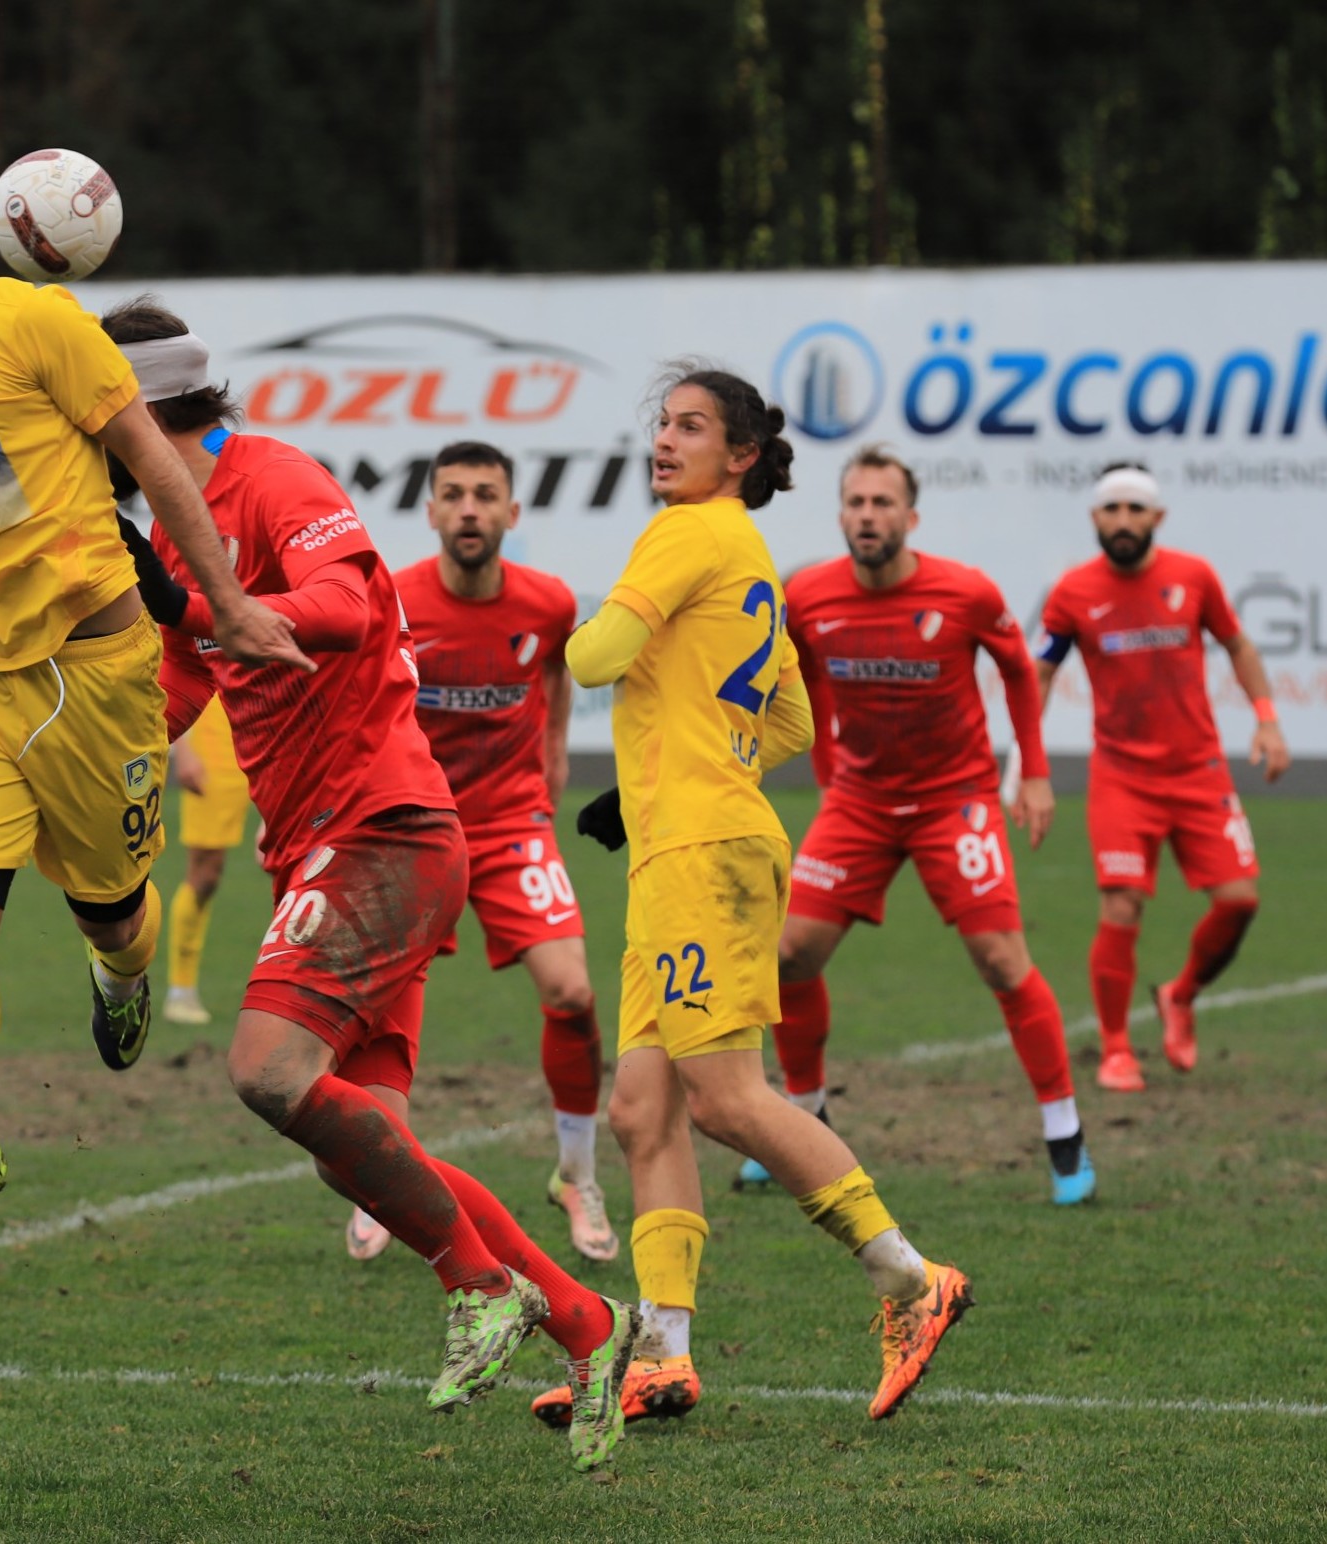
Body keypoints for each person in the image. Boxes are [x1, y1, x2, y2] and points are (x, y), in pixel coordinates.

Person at [107, 296, 639, 1473]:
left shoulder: (271, 478)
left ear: (134, 409)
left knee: (263, 1068)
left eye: (88, 408)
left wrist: (189, 603)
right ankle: (587, 1323)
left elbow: (344, 610)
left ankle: (477, 1279)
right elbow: (179, 685)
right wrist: (82, 755)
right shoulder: (170, 516)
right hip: (326, 840)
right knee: (361, 1138)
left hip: (384, 825)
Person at [0, 144, 307, 1287]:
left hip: (96, 680)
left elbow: (149, 452)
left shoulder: (33, 321)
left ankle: (124, 971)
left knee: (114, 920)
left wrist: (227, 608)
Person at [532, 367, 969, 1437]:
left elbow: (594, 653)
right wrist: (669, 774)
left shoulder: (687, 533)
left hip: (699, 853)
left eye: (690, 426)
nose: (665, 442)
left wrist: (573, 634)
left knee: (725, 1097)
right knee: (642, 1108)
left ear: (737, 456)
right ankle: (664, 1356)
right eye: (661, 425)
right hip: (684, 842)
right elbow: (780, 727)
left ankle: (910, 1279)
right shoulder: (747, 554)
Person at [743, 445, 1091, 1205]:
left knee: (1001, 961)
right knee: (789, 956)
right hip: (860, 804)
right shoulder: (807, 595)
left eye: (882, 503)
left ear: (910, 516)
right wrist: (831, 771)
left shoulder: (963, 592)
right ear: (840, 514)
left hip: (953, 799)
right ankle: (803, 1116)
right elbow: (795, 679)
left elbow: (1017, 672)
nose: (868, 516)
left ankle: (1063, 1135)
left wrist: (1031, 771)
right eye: (856, 503)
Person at [355, 439, 614, 1266]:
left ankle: (576, 1174)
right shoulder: (391, 599)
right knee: (374, 1013)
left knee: (573, 994)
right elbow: (354, 707)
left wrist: (552, 767)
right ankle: (376, 1182)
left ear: (511, 512)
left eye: (485, 495)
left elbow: (554, 684)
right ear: (430, 512)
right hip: (409, 825)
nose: (469, 508)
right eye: (454, 495)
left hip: (509, 826)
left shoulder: (545, 604)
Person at [1036, 463, 1288, 1091]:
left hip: (1200, 771)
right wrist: (1027, 760)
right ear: (1095, 518)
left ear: (1157, 517)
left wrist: (1267, 720)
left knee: (1240, 901)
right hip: (1122, 777)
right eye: (1112, 509)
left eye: (1135, 509)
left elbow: (1239, 647)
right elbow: (1036, 674)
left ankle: (1181, 994)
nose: (1124, 520)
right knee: (1122, 905)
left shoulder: (1193, 576)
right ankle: (1117, 1048)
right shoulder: (1071, 591)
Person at [162, 698, 252, 1026]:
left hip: (270, 731)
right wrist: (182, 748)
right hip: (215, 741)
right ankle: (181, 990)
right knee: (205, 875)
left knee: (295, 865)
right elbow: (173, 660)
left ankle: (293, 993)